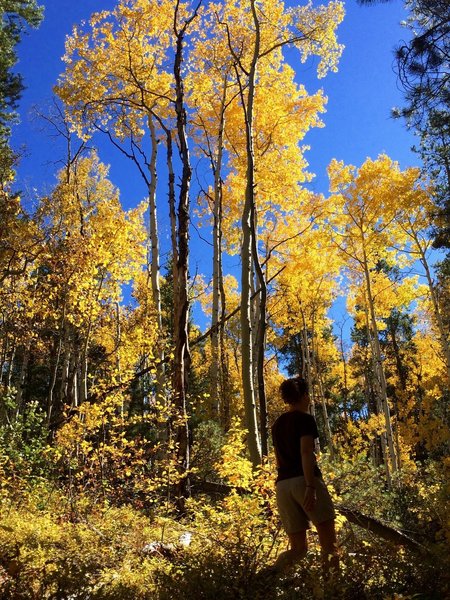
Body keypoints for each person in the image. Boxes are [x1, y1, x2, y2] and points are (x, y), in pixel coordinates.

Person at [271, 376, 338, 574]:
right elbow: (306, 452)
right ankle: (333, 590)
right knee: (329, 544)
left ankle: (264, 581)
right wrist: (310, 486)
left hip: (282, 487)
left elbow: (278, 458)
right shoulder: (305, 419)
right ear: (305, 396)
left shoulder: (277, 425)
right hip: (304, 482)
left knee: (298, 550)